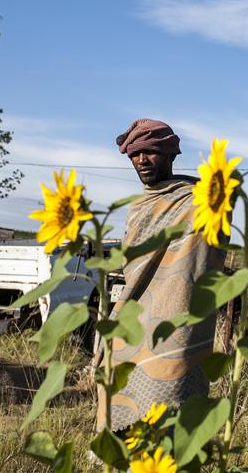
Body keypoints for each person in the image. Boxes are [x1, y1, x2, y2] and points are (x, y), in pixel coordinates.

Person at [96, 118, 227, 432]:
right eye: (135, 154)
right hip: (131, 325)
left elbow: (211, 235)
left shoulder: (199, 200)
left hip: (176, 328)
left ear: (170, 154)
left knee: (171, 424)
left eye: (151, 151)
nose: (141, 160)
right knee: (123, 423)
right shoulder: (140, 207)